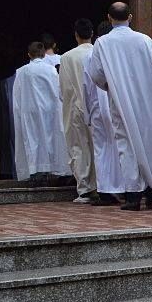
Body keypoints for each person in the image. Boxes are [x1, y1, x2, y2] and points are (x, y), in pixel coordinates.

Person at [86, 2, 152, 210]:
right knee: (147, 140)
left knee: (127, 144)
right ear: (130, 17)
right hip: (145, 99)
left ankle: (133, 194)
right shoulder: (144, 40)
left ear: (109, 18)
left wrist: (109, 86)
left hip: (120, 98)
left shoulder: (102, 43)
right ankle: (151, 189)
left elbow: (96, 73)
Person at [12, 41, 70, 184]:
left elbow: (17, 95)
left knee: (32, 139)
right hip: (49, 110)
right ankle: (50, 168)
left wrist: (19, 111)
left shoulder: (22, 72)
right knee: (50, 138)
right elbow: (58, 90)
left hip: (29, 111)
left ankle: (35, 171)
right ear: (44, 55)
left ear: (28, 54)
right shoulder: (51, 70)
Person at [81, 21, 123, 206]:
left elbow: (86, 85)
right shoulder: (118, 53)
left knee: (102, 149)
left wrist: (87, 113)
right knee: (122, 146)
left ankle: (106, 190)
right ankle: (125, 187)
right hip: (118, 105)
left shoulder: (91, 56)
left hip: (98, 107)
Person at [58, 19, 99, 202]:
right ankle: (103, 185)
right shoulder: (98, 52)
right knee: (100, 146)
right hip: (97, 106)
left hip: (76, 106)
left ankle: (85, 188)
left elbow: (64, 88)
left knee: (79, 147)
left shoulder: (67, 57)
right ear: (92, 34)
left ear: (76, 35)